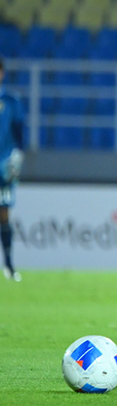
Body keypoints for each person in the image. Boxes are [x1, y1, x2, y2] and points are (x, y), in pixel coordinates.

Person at [0, 58, 25, 282]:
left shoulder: (11, 101)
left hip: (3, 165)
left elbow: (19, 132)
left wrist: (18, 155)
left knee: (4, 213)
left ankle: (8, 264)